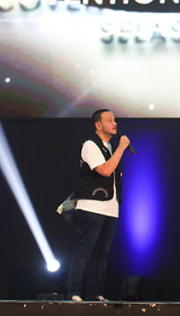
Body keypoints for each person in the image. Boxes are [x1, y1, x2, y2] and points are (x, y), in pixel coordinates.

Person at [66, 109, 132, 302]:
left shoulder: (110, 147)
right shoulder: (90, 145)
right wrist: (122, 148)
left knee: (101, 253)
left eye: (115, 120)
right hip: (92, 206)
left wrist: (117, 149)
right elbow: (105, 170)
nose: (114, 123)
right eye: (109, 120)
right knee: (84, 249)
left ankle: (94, 293)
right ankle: (73, 292)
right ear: (98, 125)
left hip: (111, 207)